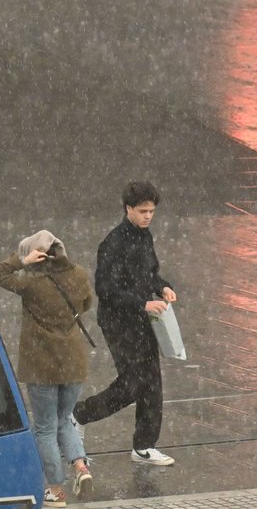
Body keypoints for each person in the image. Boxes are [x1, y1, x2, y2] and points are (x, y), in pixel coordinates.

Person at [73, 181, 178, 466]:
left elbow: (151, 274)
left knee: (152, 383)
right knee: (132, 384)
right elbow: (105, 289)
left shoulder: (146, 237)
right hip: (119, 323)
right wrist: (141, 303)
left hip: (144, 320)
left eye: (152, 211)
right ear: (128, 208)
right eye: (143, 211)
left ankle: (144, 446)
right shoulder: (113, 243)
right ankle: (80, 414)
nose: (148, 216)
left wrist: (163, 288)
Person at [0, 230, 95, 507]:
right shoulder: (79, 274)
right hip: (74, 361)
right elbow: (86, 304)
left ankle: (56, 491)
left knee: (46, 428)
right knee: (65, 419)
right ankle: (81, 468)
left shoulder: (29, 282)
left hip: (42, 365)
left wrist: (22, 261)